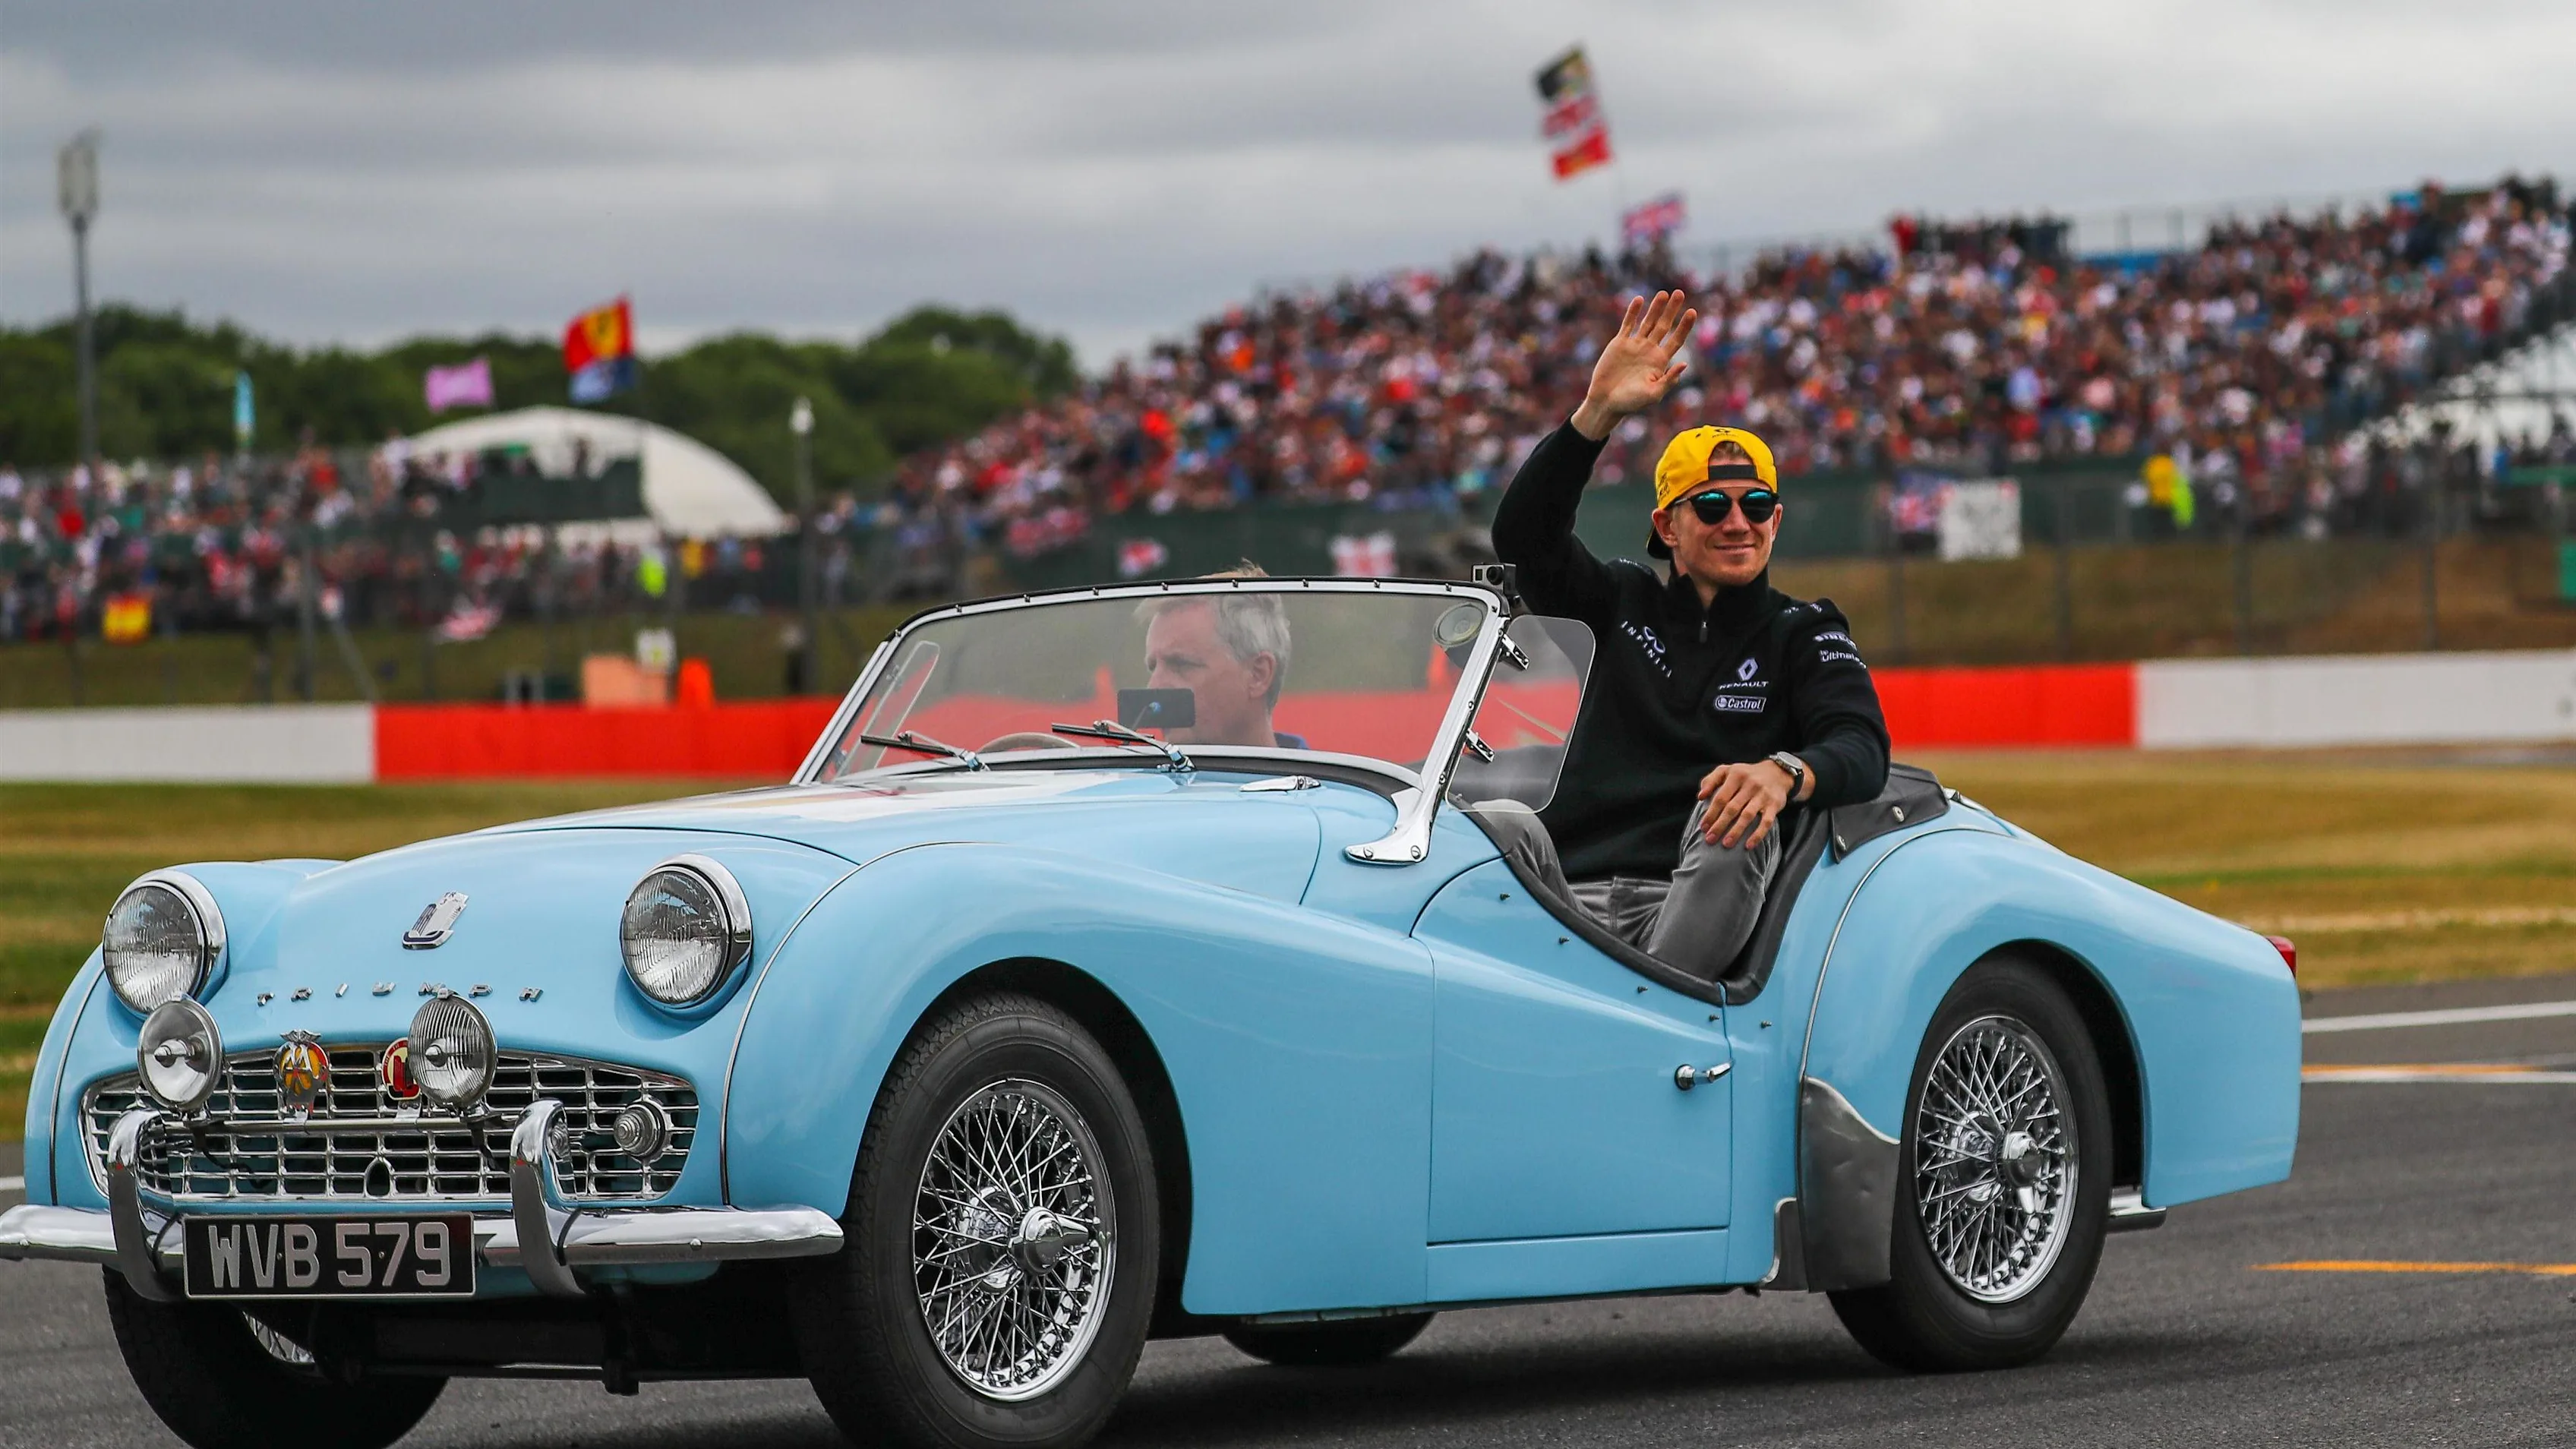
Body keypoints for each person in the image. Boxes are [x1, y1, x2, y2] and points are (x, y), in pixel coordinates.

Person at [1487, 289, 1890, 977]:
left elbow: (1863, 747)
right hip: (1564, 901)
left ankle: (1648, 1005)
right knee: (1497, 822)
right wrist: (1595, 417)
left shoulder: (1804, 629)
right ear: (1667, 526)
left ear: (1776, 520)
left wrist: (1783, 772)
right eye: (1712, 505)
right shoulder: (1618, 598)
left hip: (1689, 903)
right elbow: (1522, 539)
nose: (1738, 522)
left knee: (1730, 823)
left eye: (1756, 504)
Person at [1136, 565, 1300, 748]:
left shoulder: (1325, 775)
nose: (1154, 687)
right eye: (1153, 667)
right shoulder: (1134, 776)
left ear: (1258, 675)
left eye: (1181, 664)